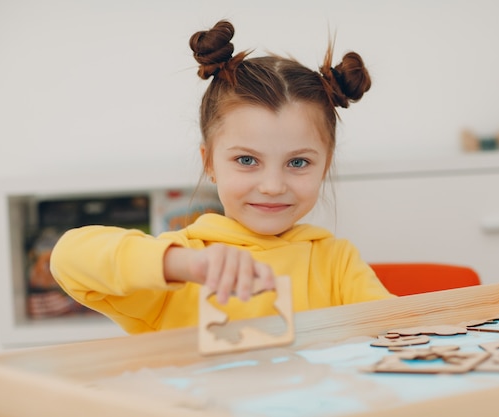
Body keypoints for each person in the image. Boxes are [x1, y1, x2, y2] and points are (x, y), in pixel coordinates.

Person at [50, 20, 394, 335]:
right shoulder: (185, 260)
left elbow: (393, 332)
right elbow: (68, 257)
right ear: (209, 163)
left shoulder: (336, 262)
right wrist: (181, 264)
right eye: (247, 160)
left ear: (326, 164)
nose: (273, 186)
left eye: (299, 163)